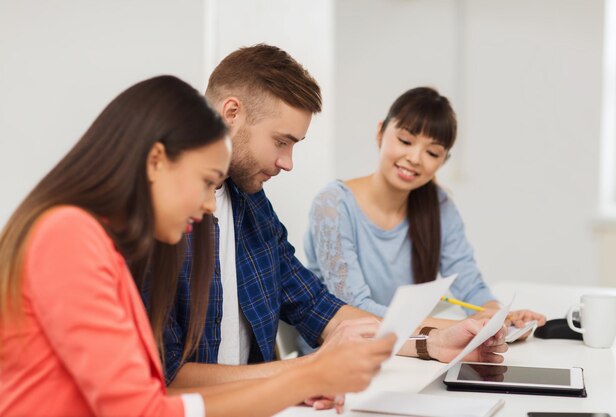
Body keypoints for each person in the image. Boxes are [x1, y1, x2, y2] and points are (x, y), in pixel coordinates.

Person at [0, 75, 397, 417]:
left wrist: (301, 381)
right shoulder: (68, 236)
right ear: (157, 160)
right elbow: (143, 411)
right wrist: (306, 376)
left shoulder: (101, 243)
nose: (210, 204)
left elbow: (154, 398)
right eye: (206, 182)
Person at [162, 45, 508, 409]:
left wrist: (432, 342)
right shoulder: (165, 220)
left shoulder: (251, 204)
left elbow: (318, 307)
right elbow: (166, 377)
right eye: (282, 141)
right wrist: (308, 371)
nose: (288, 162)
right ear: (231, 112)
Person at [302, 87, 546, 349]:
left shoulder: (439, 206)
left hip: (409, 351)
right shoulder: (333, 205)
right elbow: (355, 307)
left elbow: (470, 285)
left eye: (432, 153)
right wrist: (452, 330)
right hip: (342, 356)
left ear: (443, 160)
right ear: (380, 132)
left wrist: (499, 317)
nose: (415, 158)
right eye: (405, 141)